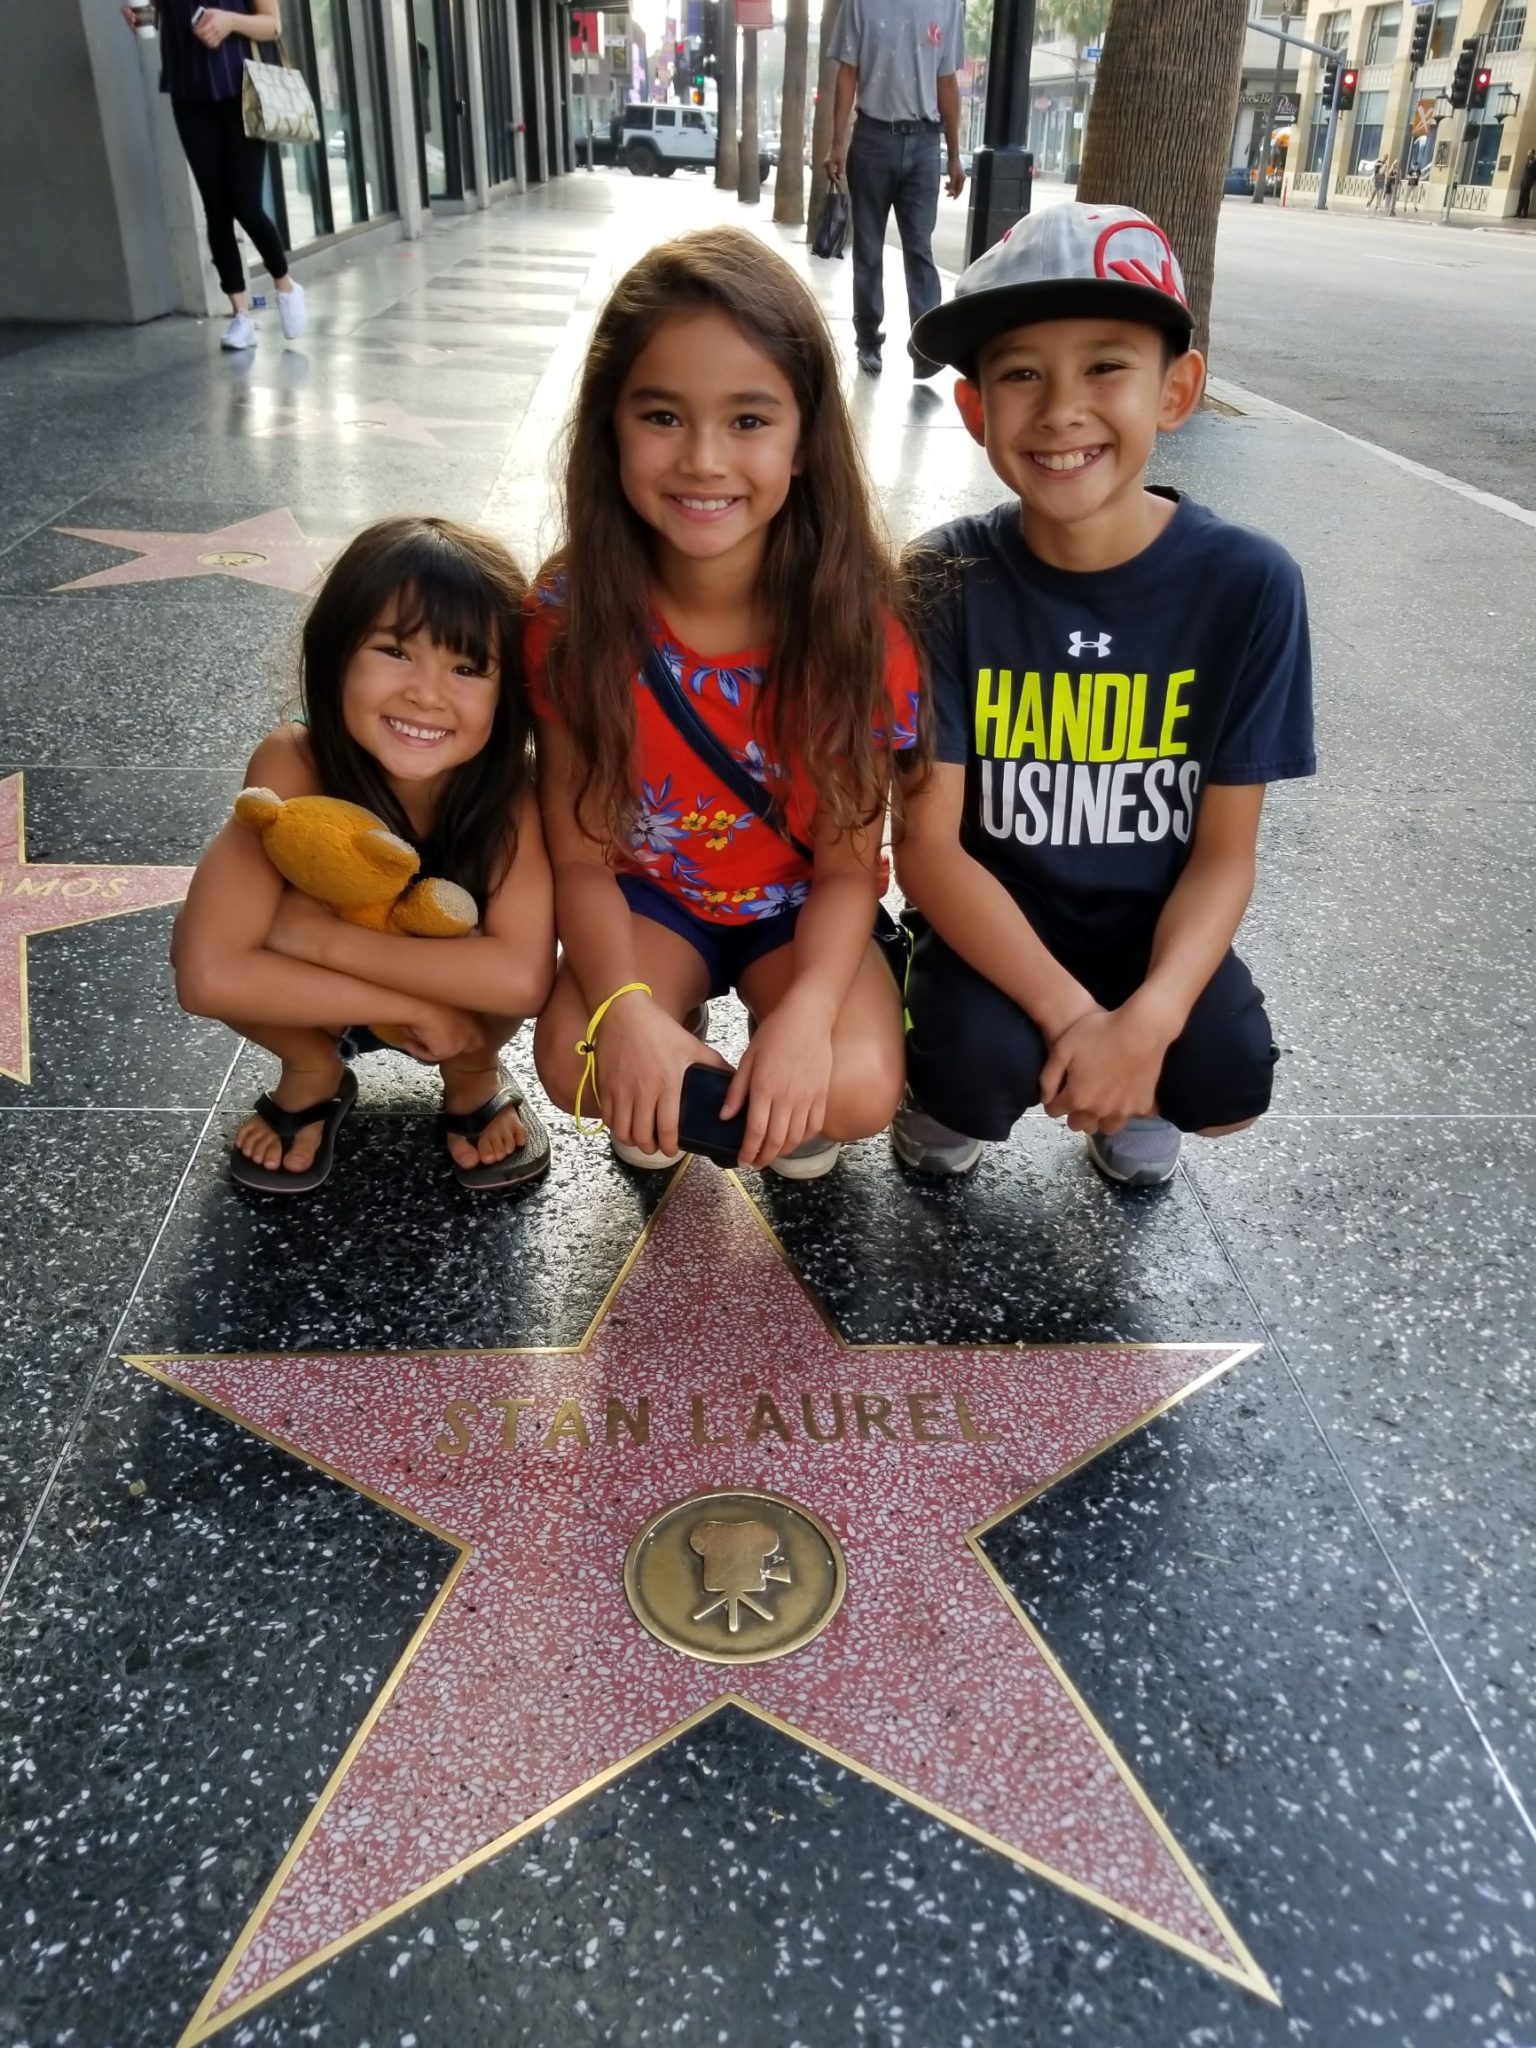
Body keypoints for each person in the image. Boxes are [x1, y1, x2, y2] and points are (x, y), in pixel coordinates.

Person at [890, 204, 1316, 1188]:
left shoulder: (1250, 585)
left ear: (1178, 390)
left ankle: (1143, 1092)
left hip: (1146, 933)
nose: (1061, 408)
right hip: (993, 927)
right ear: (975, 410)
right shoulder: (941, 579)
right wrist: (1078, 1020)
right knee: (971, 1062)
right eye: (1022, 372)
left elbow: (1222, 856)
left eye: (1106, 366)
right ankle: (946, 1080)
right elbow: (927, 846)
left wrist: (1151, 1024)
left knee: (1227, 1073)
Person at [528, 228, 919, 1179]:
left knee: (857, 1083)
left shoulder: (859, 633)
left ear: (804, 441)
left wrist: (807, 1024)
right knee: (568, 1058)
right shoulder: (568, 619)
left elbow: (843, 873)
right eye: (662, 416)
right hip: (649, 899)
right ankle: (673, 1026)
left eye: (749, 421)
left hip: (800, 907)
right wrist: (624, 1015)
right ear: (609, 424)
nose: (704, 459)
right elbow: (578, 862)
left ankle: (733, 1080)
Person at [172, 517, 557, 1195]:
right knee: (226, 941)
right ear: (335, 653)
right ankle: (310, 1066)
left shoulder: (511, 791)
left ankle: (473, 1073)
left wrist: (314, 936)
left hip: (458, 1011)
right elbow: (204, 970)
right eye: (395, 651)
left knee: (487, 975)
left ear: (510, 693)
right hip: (321, 1003)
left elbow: (521, 981)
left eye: (468, 666)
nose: (427, 693)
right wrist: (418, 1004)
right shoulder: (292, 761)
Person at [122, 0, 308, 352]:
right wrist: (140, 16)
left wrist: (229, 22)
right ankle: (240, 314)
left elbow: (272, 25)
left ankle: (284, 283)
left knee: (246, 204)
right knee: (216, 207)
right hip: (188, 91)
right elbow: (164, 14)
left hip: (242, 88)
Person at [822, 0, 967, 380]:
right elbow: (847, 72)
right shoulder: (860, 4)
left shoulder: (949, 6)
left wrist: (954, 154)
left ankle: (926, 346)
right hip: (872, 138)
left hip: (923, 143)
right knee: (868, 248)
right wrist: (837, 142)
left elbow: (946, 81)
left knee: (920, 247)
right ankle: (868, 339)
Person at [1518, 149, 1536, 218]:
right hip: (1524, 181)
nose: (1528, 154)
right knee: (1521, 197)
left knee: (1526, 198)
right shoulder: (1528, 161)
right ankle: (1518, 212)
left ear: (1532, 154)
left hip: (1528, 182)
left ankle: (1524, 213)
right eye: (1528, 152)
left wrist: (1532, 182)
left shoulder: (1534, 162)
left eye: (1529, 152)